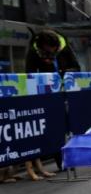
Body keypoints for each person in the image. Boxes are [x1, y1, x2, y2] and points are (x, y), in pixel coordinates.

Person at [24, 29, 81, 180]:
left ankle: (69, 158)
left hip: (65, 91)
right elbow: (28, 74)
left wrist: (63, 73)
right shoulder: (34, 52)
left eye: (55, 49)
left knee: (66, 125)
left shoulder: (63, 47)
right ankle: (62, 161)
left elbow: (76, 67)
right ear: (43, 46)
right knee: (54, 127)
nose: (53, 52)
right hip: (47, 95)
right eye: (50, 50)